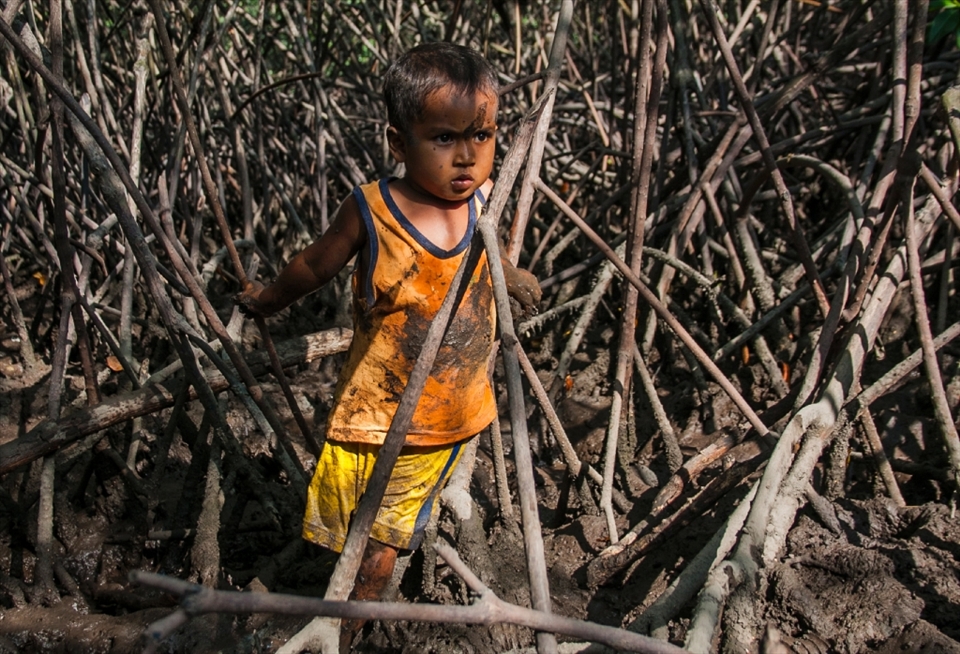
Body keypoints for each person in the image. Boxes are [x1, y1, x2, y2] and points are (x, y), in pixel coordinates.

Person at [236, 42, 540, 651]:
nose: (467, 156)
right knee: (346, 522)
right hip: (376, 415)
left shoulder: (481, 205)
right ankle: (337, 607)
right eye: (444, 138)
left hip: (452, 414)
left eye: (482, 136)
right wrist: (266, 299)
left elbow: (491, 261)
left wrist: (511, 273)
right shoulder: (373, 210)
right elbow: (316, 264)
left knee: (379, 544)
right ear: (398, 143)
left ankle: (345, 631)